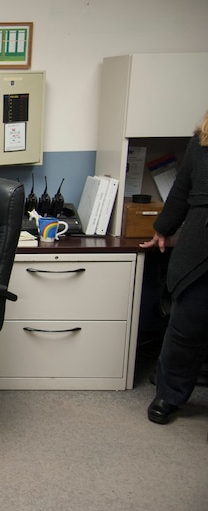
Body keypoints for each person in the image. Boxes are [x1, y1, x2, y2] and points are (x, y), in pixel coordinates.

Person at [140, 109, 208, 427]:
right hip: (200, 246)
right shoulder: (201, 142)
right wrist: (163, 229)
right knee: (186, 325)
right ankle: (170, 393)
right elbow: (181, 191)